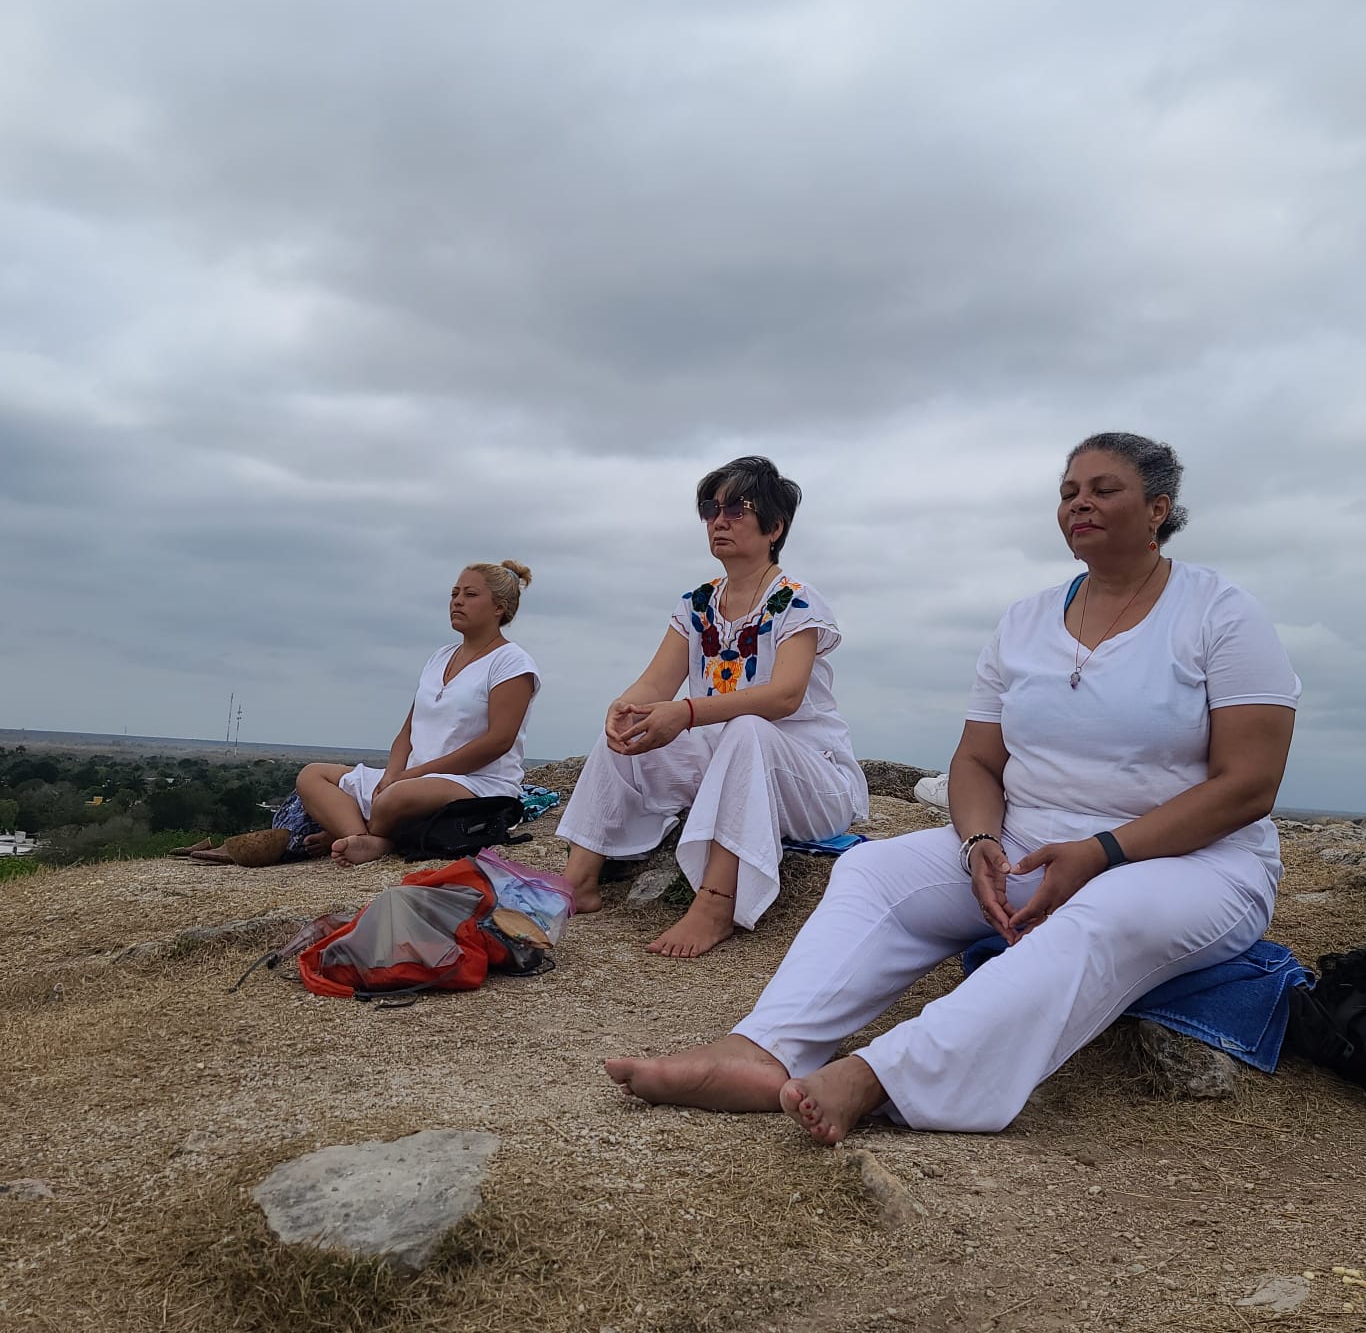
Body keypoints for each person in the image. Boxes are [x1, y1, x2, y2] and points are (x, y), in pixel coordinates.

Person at [604, 432, 1300, 1140]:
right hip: (1029, 848)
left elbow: (1248, 785)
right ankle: (762, 1050)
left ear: (1159, 508)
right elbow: (975, 763)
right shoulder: (1025, 622)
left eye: (1102, 489)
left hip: (1188, 864)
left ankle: (881, 1077)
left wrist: (1101, 852)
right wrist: (979, 841)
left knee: (1103, 917)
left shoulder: (1221, 613)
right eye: (1067, 492)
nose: (1078, 503)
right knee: (872, 869)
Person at [558, 456, 869, 959]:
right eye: (710, 508)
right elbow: (655, 683)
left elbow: (785, 696)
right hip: (725, 770)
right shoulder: (698, 603)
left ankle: (717, 902)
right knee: (627, 730)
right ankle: (578, 881)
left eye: (737, 509)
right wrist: (624, 708)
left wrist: (686, 712)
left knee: (748, 728)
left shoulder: (797, 602)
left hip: (808, 781)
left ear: (775, 527)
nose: (719, 520)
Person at [295, 561, 540, 867]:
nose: (457, 601)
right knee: (312, 775)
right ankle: (362, 837)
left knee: (394, 799)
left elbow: (498, 742)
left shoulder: (512, 663)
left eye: (470, 594)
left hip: (477, 784)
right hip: (413, 778)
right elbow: (408, 731)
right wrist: (393, 773)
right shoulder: (440, 657)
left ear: (498, 608)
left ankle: (363, 834)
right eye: (454, 593)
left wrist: (410, 777)